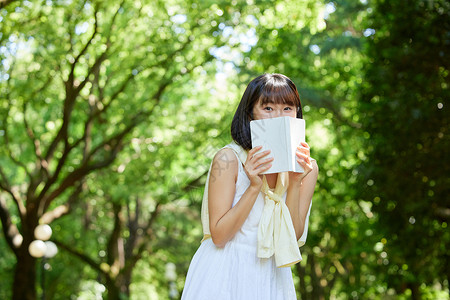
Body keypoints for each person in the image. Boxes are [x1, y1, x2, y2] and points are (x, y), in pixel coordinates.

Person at [181, 73, 319, 300]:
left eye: (287, 108)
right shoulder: (227, 159)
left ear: (297, 114)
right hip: (224, 272)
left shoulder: (307, 168)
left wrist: (295, 183)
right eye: (268, 108)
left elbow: (291, 238)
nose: (279, 117)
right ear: (250, 114)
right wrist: (254, 186)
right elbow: (219, 236)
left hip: (272, 276)